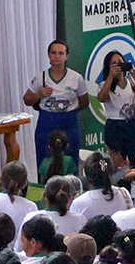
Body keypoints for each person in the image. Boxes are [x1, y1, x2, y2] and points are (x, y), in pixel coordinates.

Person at [27, 40, 92, 170]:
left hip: (69, 122)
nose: (57, 56)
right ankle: (45, 182)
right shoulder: (40, 77)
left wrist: (70, 110)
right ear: (48, 55)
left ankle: (71, 182)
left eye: (61, 53)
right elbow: (27, 100)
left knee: (71, 159)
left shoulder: (76, 78)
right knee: (44, 158)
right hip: (47, 121)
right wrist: (38, 95)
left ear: (66, 56)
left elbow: (85, 101)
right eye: (54, 53)